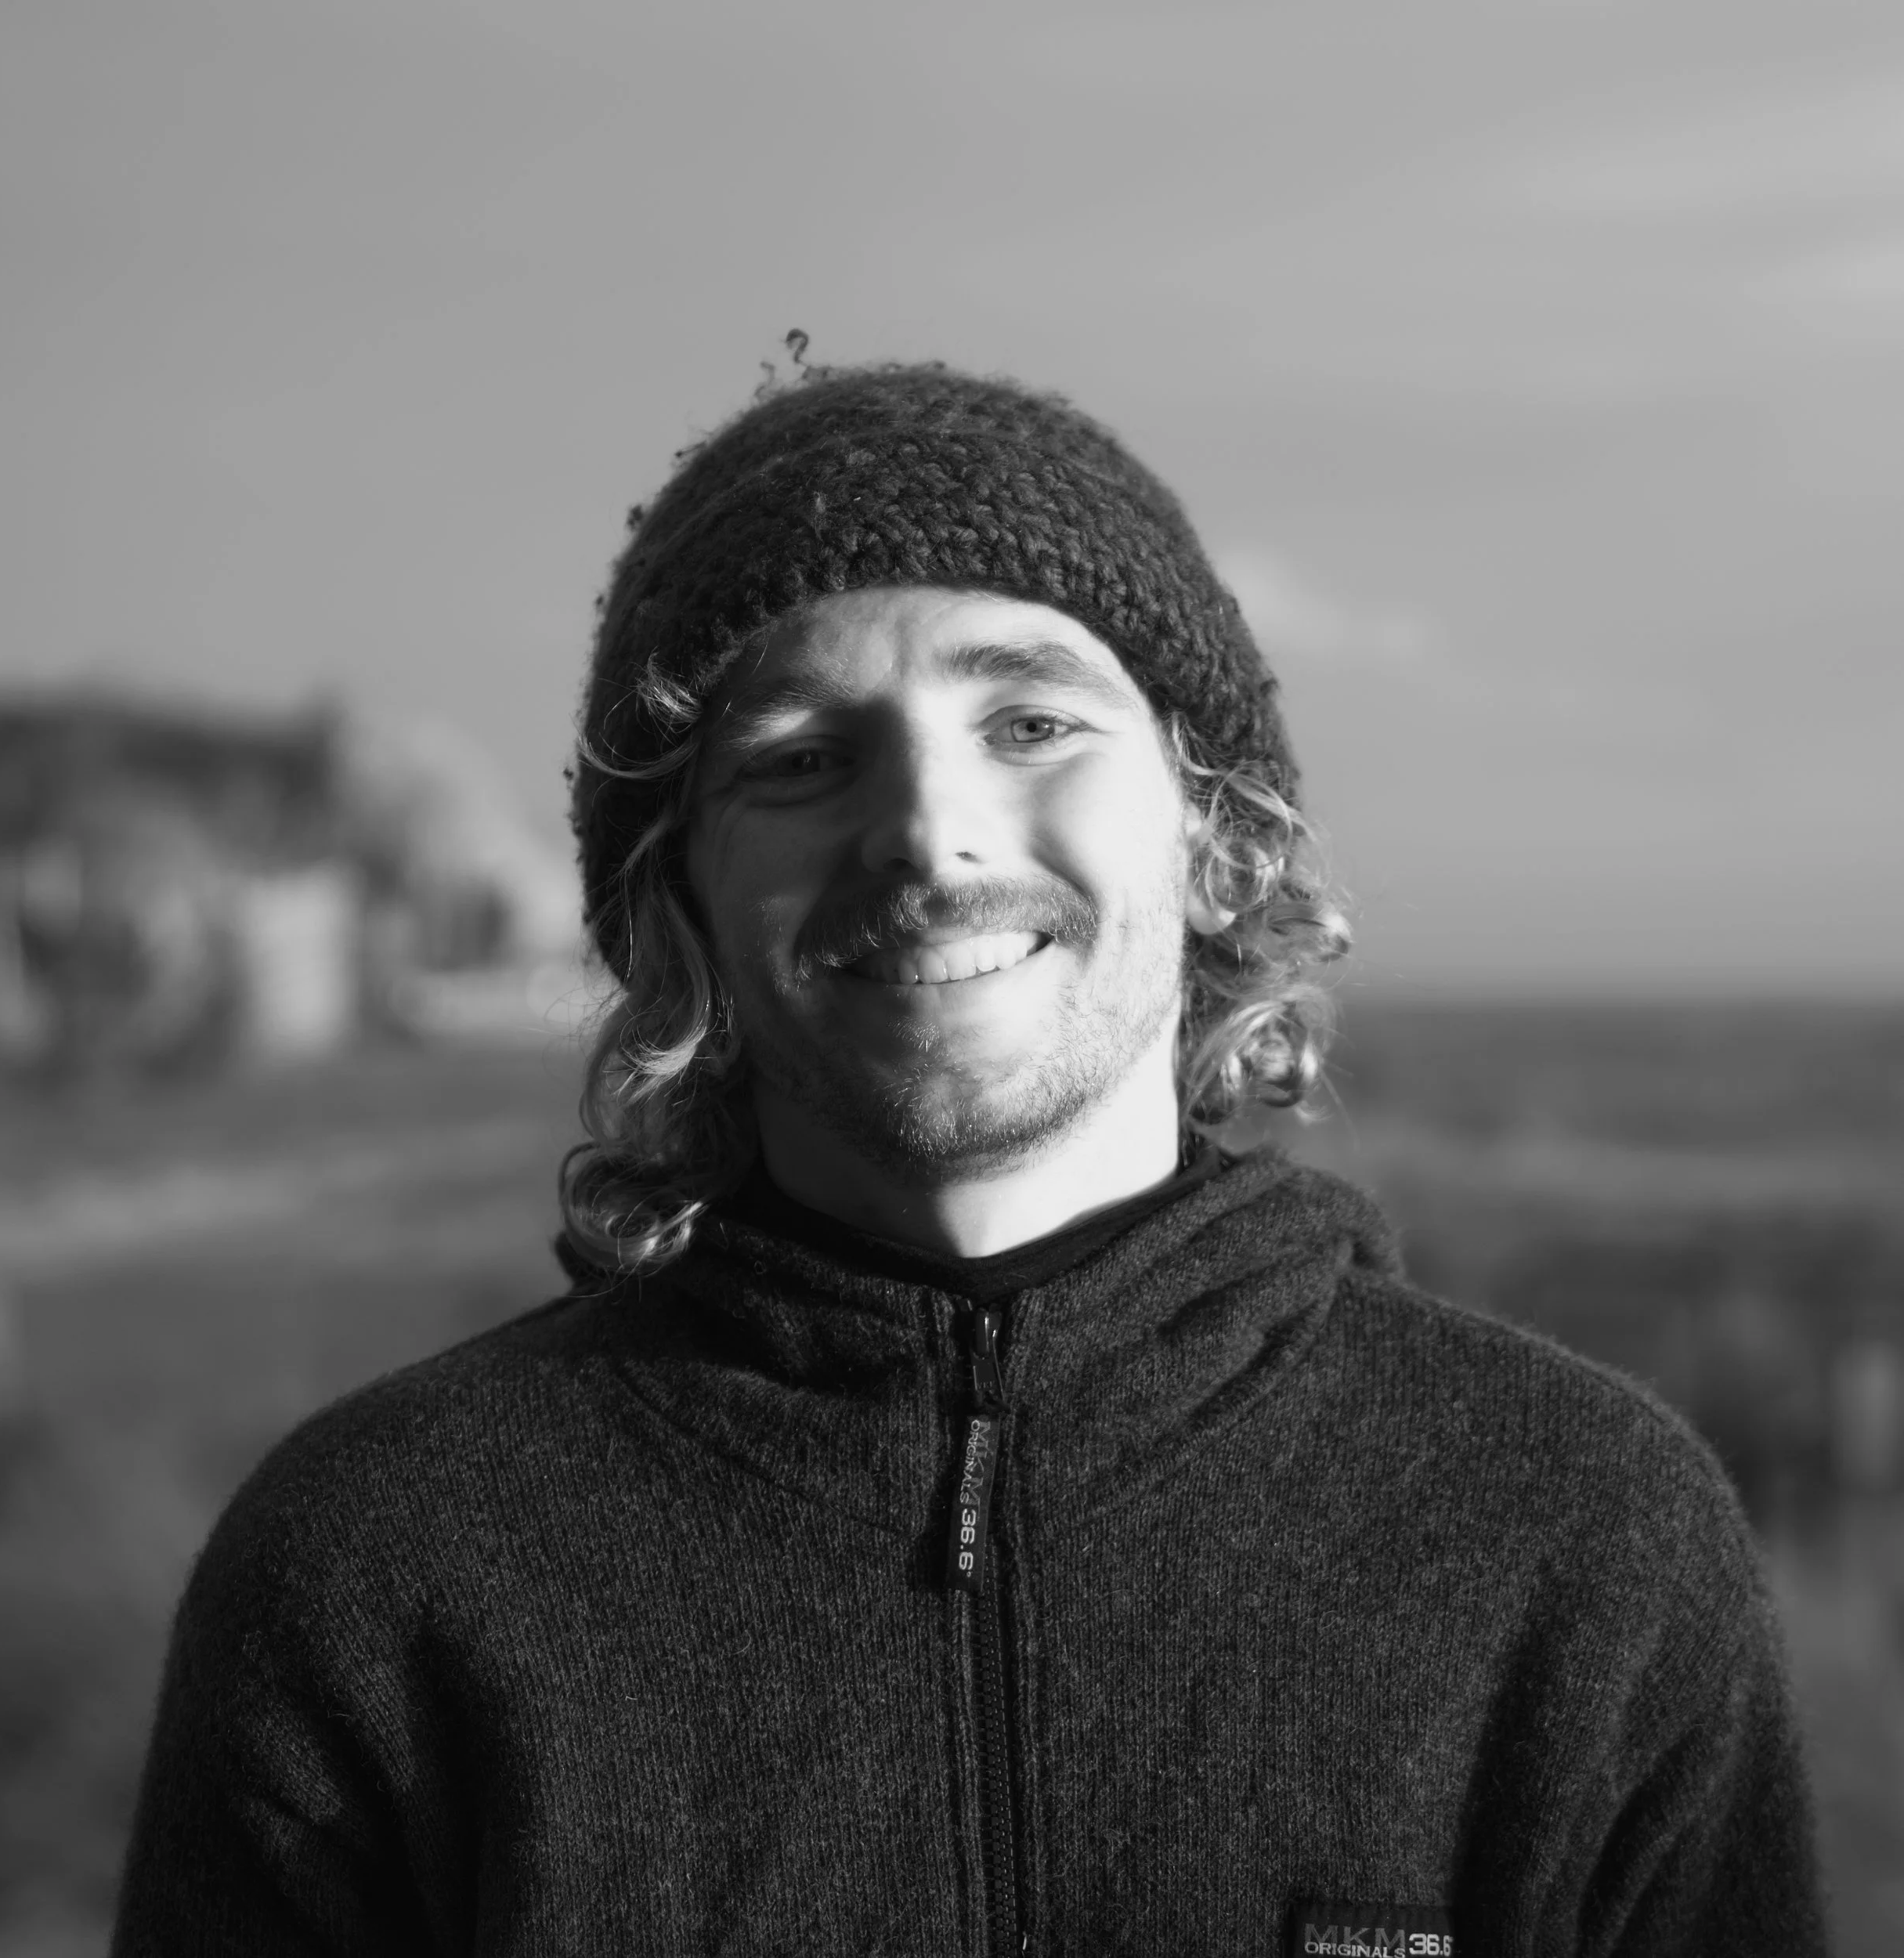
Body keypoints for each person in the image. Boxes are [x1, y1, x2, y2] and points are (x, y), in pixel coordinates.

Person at [113, 361, 1825, 1956]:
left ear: (1213, 831)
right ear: (676, 906)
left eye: (1029, 725)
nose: (927, 835)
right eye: (796, 760)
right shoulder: (379, 1573)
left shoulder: (1566, 1532)